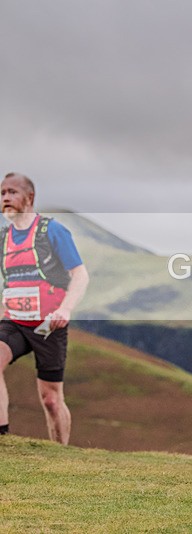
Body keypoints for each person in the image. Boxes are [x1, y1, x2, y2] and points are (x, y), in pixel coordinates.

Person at [0, 172, 89, 444]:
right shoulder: (3, 238)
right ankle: (3, 438)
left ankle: (59, 452)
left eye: (12, 192)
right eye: (2, 193)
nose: (5, 198)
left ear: (30, 197)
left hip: (49, 325)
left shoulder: (52, 231)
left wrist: (65, 309)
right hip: (13, 322)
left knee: (51, 399)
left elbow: (80, 275)